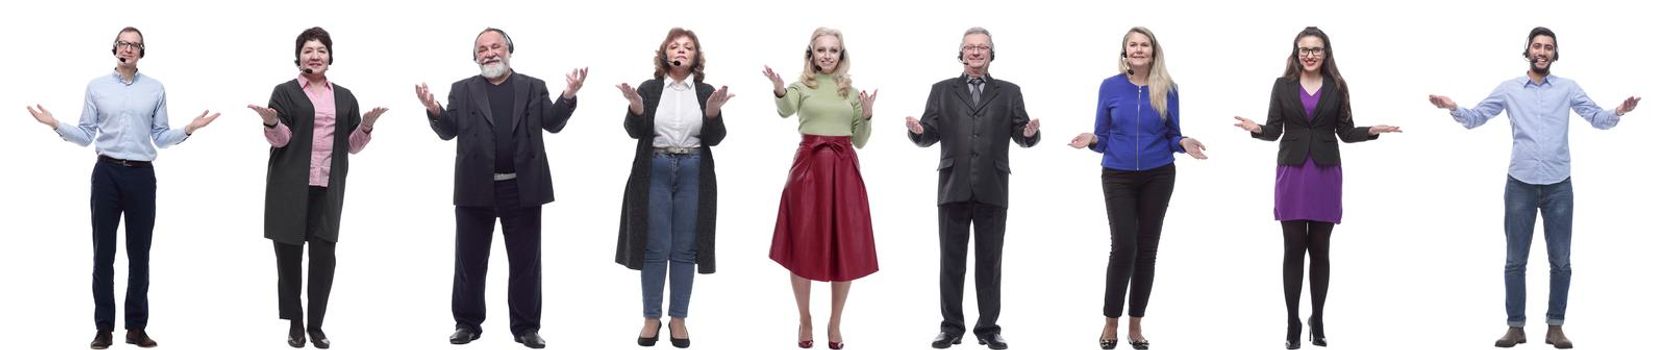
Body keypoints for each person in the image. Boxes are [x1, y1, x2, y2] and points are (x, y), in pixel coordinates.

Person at [1427, 26, 1641, 350]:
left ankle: (1556, 327)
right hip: (1520, 186)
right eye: (1537, 46)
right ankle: (1516, 327)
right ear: (1527, 50)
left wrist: (1619, 112)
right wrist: (1453, 107)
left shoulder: (1568, 88)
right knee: (1515, 260)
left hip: (1559, 187)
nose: (1542, 52)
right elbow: (1475, 118)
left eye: (1549, 47)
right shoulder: (1509, 89)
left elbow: (1596, 117)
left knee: (1561, 260)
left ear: (1556, 54)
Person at [25, 26, 221, 350]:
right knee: (103, 254)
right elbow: (87, 134)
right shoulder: (96, 87)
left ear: (141, 52)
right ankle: (104, 328)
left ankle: (136, 327)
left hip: (142, 177)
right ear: (114, 48)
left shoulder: (155, 89)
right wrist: (56, 124)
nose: (127, 49)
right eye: (122, 43)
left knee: (139, 254)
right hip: (106, 175)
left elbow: (160, 136)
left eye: (134, 45)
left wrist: (188, 129)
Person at [414, 27, 588, 349]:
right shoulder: (461, 90)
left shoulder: (533, 87)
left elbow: (552, 122)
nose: (490, 53)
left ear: (509, 50)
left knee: (525, 263)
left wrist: (568, 96)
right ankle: (466, 323)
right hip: (474, 188)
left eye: (496, 47)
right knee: (469, 261)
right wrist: (434, 109)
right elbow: (448, 131)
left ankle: (525, 328)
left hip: (522, 188)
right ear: (476, 56)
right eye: (483, 49)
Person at [1230, 26, 1401, 350]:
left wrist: (1371, 131)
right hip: (1292, 173)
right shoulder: (1282, 86)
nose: (1310, 55)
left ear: (1326, 53)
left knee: (1320, 250)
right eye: (1304, 49)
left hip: (1325, 174)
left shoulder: (1338, 86)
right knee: (1293, 250)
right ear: (1296, 53)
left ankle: (1318, 319)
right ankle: (1293, 322)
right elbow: (1273, 130)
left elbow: (1346, 131)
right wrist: (1257, 129)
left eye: (1316, 49)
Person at [247, 26, 389, 349]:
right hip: (289, 189)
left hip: (328, 188)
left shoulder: (345, 97)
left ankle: (316, 325)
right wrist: (271, 122)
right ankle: (295, 323)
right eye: (308, 50)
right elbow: (282, 139)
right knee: (289, 259)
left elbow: (352, 146)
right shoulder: (284, 93)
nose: (315, 55)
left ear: (330, 56)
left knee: (324, 258)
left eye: (321, 50)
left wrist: (365, 126)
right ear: (298, 57)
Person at [1066, 26, 1206, 350]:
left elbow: (1172, 134)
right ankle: (1110, 321)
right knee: (1124, 246)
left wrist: (1183, 142)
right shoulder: (1110, 87)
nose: (1139, 49)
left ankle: (1136, 324)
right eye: (1133, 45)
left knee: (1147, 250)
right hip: (1117, 175)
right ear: (1125, 52)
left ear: (1153, 52)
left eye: (1145, 45)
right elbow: (1102, 136)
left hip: (1159, 174)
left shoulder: (1168, 88)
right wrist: (1092, 139)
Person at [904, 26, 1040, 350]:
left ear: (992, 53)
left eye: (982, 47)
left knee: (990, 263)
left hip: (993, 186)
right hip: (953, 186)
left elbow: (1021, 134)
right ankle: (950, 327)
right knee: (951, 262)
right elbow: (929, 133)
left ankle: (989, 328)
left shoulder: (1009, 92)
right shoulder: (941, 91)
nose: (976, 52)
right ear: (961, 52)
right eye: (970, 47)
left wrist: (1030, 133)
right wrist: (918, 131)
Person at [612, 27, 733, 349]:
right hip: (655, 168)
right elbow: (634, 132)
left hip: (694, 169)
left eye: (688, 47)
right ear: (665, 54)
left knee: (684, 248)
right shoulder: (649, 89)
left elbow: (715, 139)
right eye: (675, 46)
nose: (681, 50)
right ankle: (651, 317)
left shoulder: (706, 90)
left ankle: (678, 318)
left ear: (695, 56)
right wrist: (636, 107)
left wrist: (713, 113)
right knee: (654, 246)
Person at [762, 27, 879, 350]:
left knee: (846, 244)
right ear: (811, 54)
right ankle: (805, 318)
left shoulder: (851, 92)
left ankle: (835, 322)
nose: (827, 55)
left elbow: (860, 141)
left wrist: (867, 115)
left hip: (843, 168)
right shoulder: (801, 86)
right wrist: (780, 90)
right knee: (802, 243)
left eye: (833, 50)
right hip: (808, 169)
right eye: (821, 49)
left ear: (841, 55)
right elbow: (786, 111)